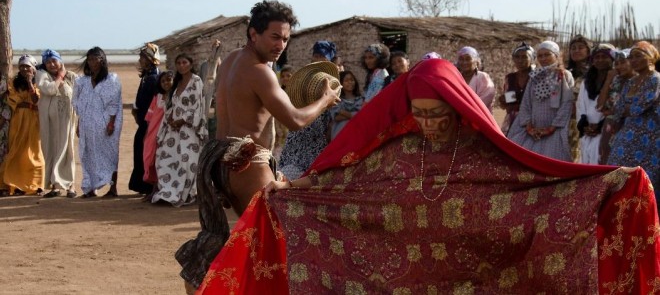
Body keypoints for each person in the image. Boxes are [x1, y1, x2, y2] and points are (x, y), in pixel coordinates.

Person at [199, 58, 660, 294]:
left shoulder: (482, 150)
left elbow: (535, 184)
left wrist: (609, 181)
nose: (430, 124)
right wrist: (289, 190)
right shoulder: (397, 149)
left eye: (439, 114)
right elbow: (344, 182)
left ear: (457, 108)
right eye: (419, 114)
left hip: (475, 272)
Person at [174, 0, 340, 293]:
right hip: (248, 164)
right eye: (275, 36)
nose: (281, 45)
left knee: (234, 238)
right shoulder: (260, 71)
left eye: (286, 38)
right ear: (254, 34)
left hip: (220, 159)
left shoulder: (230, 60)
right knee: (272, 241)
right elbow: (296, 119)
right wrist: (325, 99)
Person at [607, 41, 659, 208]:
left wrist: (625, 109)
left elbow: (640, 105)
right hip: (626, 134)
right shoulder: (631, 82)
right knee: (617, 170)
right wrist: (623, 110)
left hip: (649, 138)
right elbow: (620, 106)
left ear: (651, 58)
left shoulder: (655, 79)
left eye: (639, 56)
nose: (633, 60)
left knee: (644, 177)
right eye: (632, 57)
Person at [152, 54, 207, 206]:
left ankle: (188, 193)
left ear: (190, 64)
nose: (182, 65)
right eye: (178, 63)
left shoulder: (196, 81)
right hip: (173, 129)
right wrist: (170, 120)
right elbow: (172, 105)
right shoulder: (177, 82)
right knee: (164, 158)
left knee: (188, 162)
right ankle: (168, 192)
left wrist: (183, 120)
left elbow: (198, 105)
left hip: (189, 129)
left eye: (185, 62)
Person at [279, 42, 338, 179]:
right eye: (316, 55)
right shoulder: (305, 78)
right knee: (289, 173)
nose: (318, 59)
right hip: (299, 129)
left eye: (322, 56)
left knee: (312, 175)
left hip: (318, 134)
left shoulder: (334, 82)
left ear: (328, 59)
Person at [508, 41, 574, 162]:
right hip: (533, 129)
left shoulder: (564, 75)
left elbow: (567, 103)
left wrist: (552, 128)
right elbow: (526, 103)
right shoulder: (534, 77)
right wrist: (529, 126)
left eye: (547, 55)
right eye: (540, 56)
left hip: (555, 129)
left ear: (556, 55)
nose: (543, 58)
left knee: (551, 163)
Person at [73, 47, 123, 198]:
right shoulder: (83, 82)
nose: (93, 62)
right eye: (90, 59)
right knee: (87, 154)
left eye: (96, 59)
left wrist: (111, 123)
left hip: (105, 123)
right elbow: (81, 105)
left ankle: (113, 188)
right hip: (87, 123)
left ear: (102, 60)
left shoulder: (111, 80)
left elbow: (114, 103)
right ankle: (90, 188)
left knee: (110, 155)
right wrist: (79, 123)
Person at [37, 49, 78, 198]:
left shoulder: (72, 76)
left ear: (60, 61)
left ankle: (70, 186)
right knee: (51, 150)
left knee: (67, 150)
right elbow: (49, 89)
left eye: (54, 61)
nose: (52, 64)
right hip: (49, 122)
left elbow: (78, 96)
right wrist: (60, 77)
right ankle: (55, 186)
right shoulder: (42, 75)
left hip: (67, 120)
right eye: (48, 62)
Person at [2, 54, 44, 196]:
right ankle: (16, 184)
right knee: (17, 151)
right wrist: (26, 102)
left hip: (34, 120)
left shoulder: (39, 81)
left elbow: (36, 100)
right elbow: (14, 100)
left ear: (33, 68)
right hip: (19, 119)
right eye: (22, 67)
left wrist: (30, 83)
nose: (25, 69)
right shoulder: (14, 82)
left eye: (28, 66)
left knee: (34, 153)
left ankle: (36, 184)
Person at [128, 43, 160, 195]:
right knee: (140, 150)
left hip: (150, 123)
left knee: (147, 153)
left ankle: (148, 187)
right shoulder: (148, 76)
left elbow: (154, 103)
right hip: (144, 121)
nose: (140, 60)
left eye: (142, 57)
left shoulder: (154, 78)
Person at [576, 43, 615, 164]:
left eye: (604, 57)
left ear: (612, 59)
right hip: (588, 131)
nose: (600, 60)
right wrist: (584, 123)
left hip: (606, 131)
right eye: (596, 57)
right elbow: (580, 105)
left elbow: (615, 107)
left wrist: (600, 126)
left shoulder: (617, 81)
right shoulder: (587, 82)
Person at [597, 49, 634, 164]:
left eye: (623, 62)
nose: (619, 66)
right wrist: (608, 80)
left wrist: (613, 111)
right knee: (606, 160)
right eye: (616, 64)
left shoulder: (639, 82)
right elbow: (600, 106)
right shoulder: (615, 80)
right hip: (610, 128)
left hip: (629, 127)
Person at [141, 70, 174, 200]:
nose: (166, 83)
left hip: (168, 133)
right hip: (154, 132)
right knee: (150, 158)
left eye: (168, 80)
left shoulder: (176, 96)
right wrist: (147, 134)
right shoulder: (157, 97)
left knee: (163, 160)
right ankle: (154, 188)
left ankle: (159, 190)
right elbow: (149, 117)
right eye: (163, 81)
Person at [566, 34, 593, 162]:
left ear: (588, 50)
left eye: (580, 48)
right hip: (566, 121)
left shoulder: (594, 73)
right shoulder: (566, 73)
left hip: (586, 121)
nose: (576, 51)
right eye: (573, 48)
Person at [499, 42, 534, 134]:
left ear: (532, 59)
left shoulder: (536, 77)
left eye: (524, 57)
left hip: (532, 121)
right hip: (512, 120)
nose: (520, 60)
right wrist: (504, 100)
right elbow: (508, 104)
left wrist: (514, 101)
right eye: (517, 57)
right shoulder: (510, 78)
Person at [455, 46, 496, 112]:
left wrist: (464, 107)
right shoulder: (456, 77)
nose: (464, 62)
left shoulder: (483, 77)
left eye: (468, 59)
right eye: (461, 59)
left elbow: (486, 99)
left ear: (476, 61)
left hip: (479, 117)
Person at [329, 71, 364, 140]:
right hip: (339, 135)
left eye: (352, 80)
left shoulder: (361, 99)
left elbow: (362, 116)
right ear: (341, 83)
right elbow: (336, 117)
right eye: (346, 80)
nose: (350, 82)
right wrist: (354, 115)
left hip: (357, 135)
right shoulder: (336, 100)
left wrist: (342, 111)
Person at [199, 39, 222, 139]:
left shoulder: (224, 66)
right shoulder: (205, 66)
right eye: (214, 47)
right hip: (207, 101)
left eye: (217, 48)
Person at [0, 65, 11, 197]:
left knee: (3, 156)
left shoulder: (4, 80)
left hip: (2, 122)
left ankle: (3, 185)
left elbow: (7, 105)